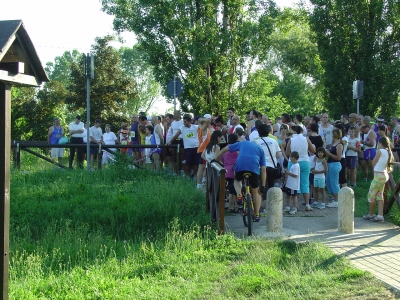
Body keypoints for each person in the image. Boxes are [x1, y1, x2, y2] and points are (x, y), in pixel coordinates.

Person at [214, 140, 267, 222]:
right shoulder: (260, 149)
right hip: (253, 169)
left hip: (240, 166)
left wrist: (216, 159)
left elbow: (224, 149)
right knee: (256, 192)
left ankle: (239, 194)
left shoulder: (242, 143)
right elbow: (263, 169)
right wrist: (263, 186)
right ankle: (257, 214)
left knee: (237, 179)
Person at [363, 136, 394, 222]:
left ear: (380, 143)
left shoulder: (380, 151)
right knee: (379, 195)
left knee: (371, 194)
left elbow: (373, 162)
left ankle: (371, 214)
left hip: (378, 176)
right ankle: (380, 215)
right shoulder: (388, 152)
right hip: (383, 175)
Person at [285, 125, 315, 211]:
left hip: (293, 162)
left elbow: (287, 152)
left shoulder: (291, 139)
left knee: (294, 183)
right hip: (305, 161)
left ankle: (296, 204)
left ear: (294, 131)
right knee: (305, 183)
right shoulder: (306, 139)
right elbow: (313, 150)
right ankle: (307, 204)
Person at [253, 124, 281, 190]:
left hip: (260, 167)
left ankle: (263, 198)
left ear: (258, 132)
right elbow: (278, 155)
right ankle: (270, 199)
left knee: (262, 186)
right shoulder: (273, 141)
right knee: (271, 186)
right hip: (272, 166)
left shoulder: (256, 142)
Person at [220, 133, 239, 213]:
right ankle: (232, 207)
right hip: (235, 170)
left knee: (231, 188)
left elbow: (222, 160)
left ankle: (234, 206)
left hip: (226, 170)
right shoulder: (237, 149)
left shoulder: (224, 149)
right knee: (234, 189)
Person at [325, 128, 344, 208]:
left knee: (334, 183)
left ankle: (337, 200)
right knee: (328, 182)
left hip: (335, 164)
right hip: (330, 164)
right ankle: (334, 198)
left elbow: (338, 157)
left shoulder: (339, 145)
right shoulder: (333, 144)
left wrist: (328, 153)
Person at [196, 114, 212, 189]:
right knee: (201, 168)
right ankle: (199, 186)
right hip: (202, 150)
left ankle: (203, 183)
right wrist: (204, 119)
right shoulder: (203, 128)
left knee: (205, 168)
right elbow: (207, 121)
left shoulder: (204, 128)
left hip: (205, 150)